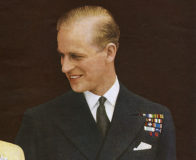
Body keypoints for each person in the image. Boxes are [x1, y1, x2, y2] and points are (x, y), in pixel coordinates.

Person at [15, 5, 176, 160]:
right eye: (62, 55)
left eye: (76, 56)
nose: (65, 67)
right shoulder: (40, 121)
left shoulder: (155, 117)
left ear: (109, 52)